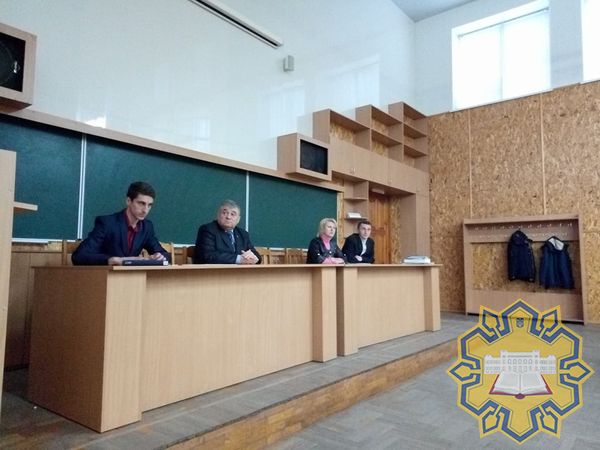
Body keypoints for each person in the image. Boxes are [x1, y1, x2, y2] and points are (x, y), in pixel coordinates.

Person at [72, 181, 171, 265]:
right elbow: (79, 256)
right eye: (141, 203)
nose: (145, 210)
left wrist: (160, 256)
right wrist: (112, 260)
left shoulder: (146, 227)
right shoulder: (107, 223)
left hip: (133, 278)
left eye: (149, 205)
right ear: (128, 201)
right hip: (105, 276)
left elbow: (166, 255)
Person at [194, 200, 261, 264]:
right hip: (213, 271)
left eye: (233, 214)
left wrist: (254, 257)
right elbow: (207, 256)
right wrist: (239, 259)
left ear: (238, 219)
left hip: (239, 271)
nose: (228, 217)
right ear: (218, 215)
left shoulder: (243, 234)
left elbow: (255, 254)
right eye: (224, 213)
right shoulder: (207, 230)